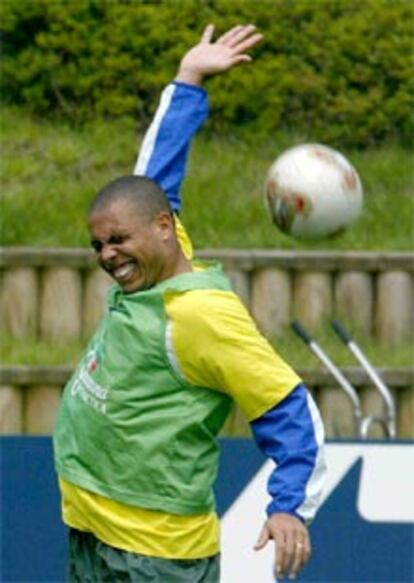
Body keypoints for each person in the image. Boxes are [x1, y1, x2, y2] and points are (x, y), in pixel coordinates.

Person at [54, 24, 326, 582]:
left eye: (117, 241)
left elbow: (288, 408)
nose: (107, 255)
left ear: (162, 228)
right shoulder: (153, 252)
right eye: (99, 245)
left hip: (155, 556)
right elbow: (156, 169)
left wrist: (289, 505)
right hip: (91, 527)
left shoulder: (203, 316)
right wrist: (189, 78)